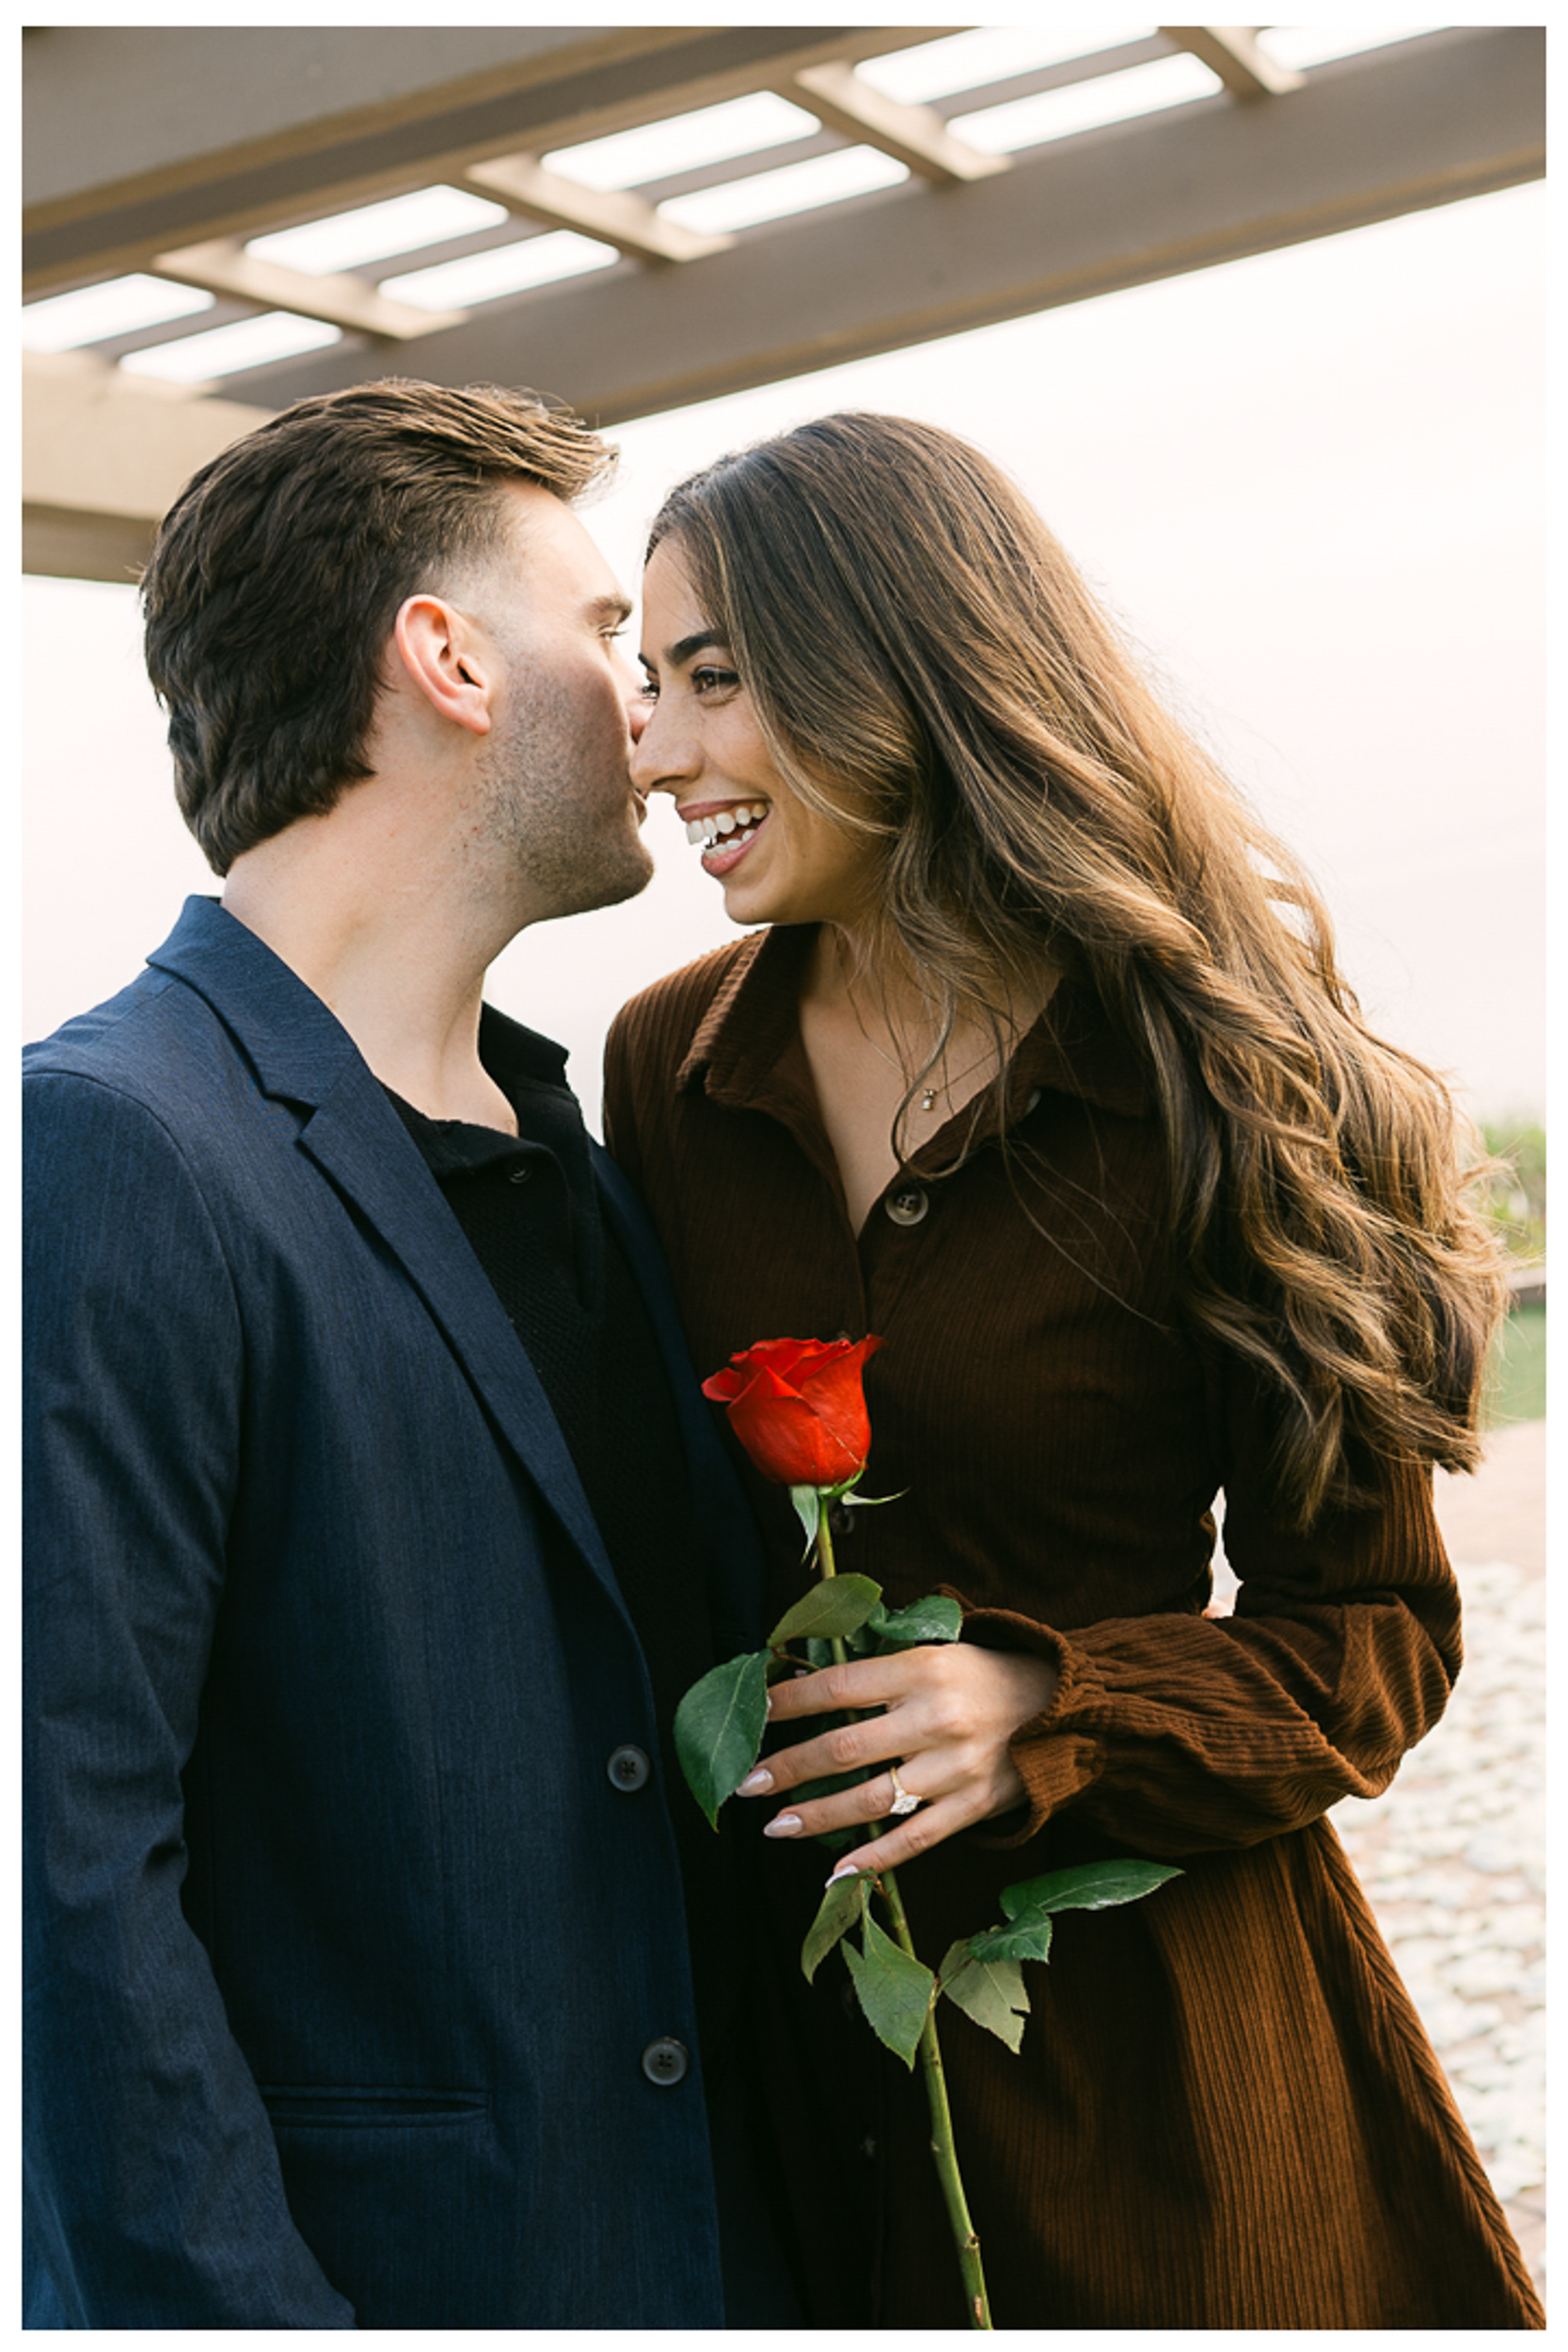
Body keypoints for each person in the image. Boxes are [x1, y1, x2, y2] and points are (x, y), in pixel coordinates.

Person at [602, 411, 1545, 2329]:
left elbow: (1371, 1638)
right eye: (644, 682)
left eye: (716, 679)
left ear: (901, 662)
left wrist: (1054, 1691)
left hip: (1175, 2085)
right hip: (805, 2099)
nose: (659, 747)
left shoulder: (1242, 1088)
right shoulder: (661, 1076)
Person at [22, 379, 801, 2329]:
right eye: (610, 633)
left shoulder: (580, 1150)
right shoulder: (102, 1143)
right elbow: (65, 1885)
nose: (648, 706)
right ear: (444, 657)